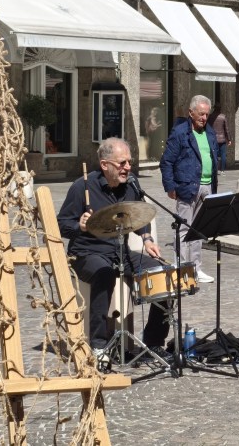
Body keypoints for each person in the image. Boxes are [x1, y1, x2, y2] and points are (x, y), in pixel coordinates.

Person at [57, 138, 168, 360]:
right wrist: (79, 225)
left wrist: (146, 238)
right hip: (87, 253)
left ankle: (154, 341)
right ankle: (98, 345)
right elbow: (61, 223)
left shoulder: (131, 185)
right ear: (105, 164)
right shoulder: (83, 186)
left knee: (162, 274)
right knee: (104, 274)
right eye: (122, 163)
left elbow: (139, 216)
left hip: (119, 252)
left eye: (130, 162)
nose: (128, 167)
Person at [161, 95, 219, 283]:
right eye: (201, 114)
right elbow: (167, 161)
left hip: (207, 185)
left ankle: (196, 268)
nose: (204, 118)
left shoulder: (209, 132)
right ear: (191, 113)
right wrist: (170, 186)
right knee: (184, 229)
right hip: (187, 186)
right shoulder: (180, 133)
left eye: (206, 114)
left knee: (199, 230)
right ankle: (182, 268)